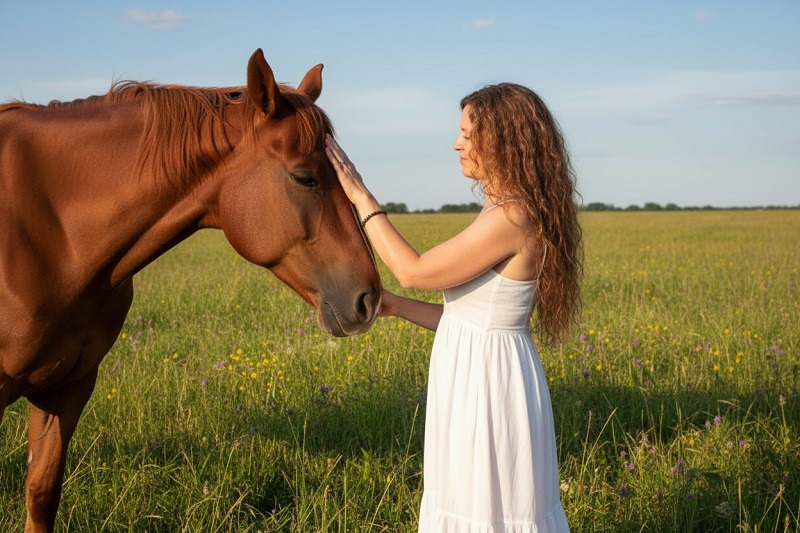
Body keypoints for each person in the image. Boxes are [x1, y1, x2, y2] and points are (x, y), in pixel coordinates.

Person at [325, 82, 581, 532]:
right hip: (477, 373)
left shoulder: (512, 217)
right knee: (472, 500)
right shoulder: (500, 210)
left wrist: (361, 198)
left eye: (467, 133)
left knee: (486, 507)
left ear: (502, 140)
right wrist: (395, 307)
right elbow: (467, 319)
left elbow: (414, 270)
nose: (456, 143)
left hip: (489, 385)